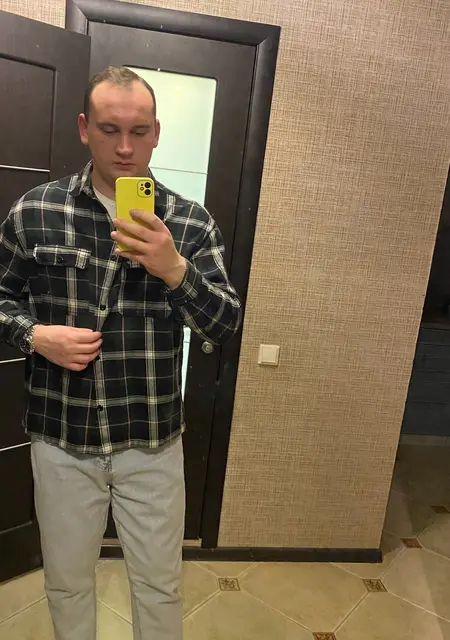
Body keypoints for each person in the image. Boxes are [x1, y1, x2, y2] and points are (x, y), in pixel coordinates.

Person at [0, 66, 241, 640]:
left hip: (151, 440)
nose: (125, 148)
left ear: (157, 132)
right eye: (110, 130)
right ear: (85, 128)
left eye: (139, 131)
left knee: (159, 586)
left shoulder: (189, 222)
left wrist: (174, 269)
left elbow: (225, 322)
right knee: (66, 583)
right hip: (62, 436)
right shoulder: (36, 211)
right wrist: (35, 336)